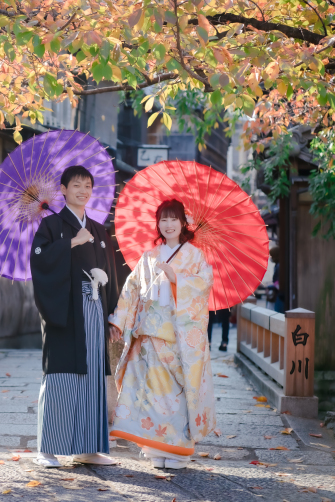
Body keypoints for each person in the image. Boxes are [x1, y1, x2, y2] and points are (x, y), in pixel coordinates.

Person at [108, 199, 215, 470]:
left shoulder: (194, 256)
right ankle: (154, 447)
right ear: (158, 224)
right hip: (148, 338)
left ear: (183, 223)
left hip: (177, 339)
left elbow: (203, 286)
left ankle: (178, 450)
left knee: (174, 394)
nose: (168, 225)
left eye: (173, 219)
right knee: (151, 392)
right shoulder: (149, 257)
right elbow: (132, 290)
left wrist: (178, 277)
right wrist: (118, 322)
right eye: (163, 220)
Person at [29, 165, 120, 468]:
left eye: (88, 186)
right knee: (61, 377)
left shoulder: (99, 230)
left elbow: (112, 274)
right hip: (65, 310)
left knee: (93, 376)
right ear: (64, 189)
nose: (83, 190)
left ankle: (89, 447)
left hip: (94, 308)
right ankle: (47, 448)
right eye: (77, 185)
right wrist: (71, 243)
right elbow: (40, 262)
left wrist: (111, 315)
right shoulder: (51, 226)